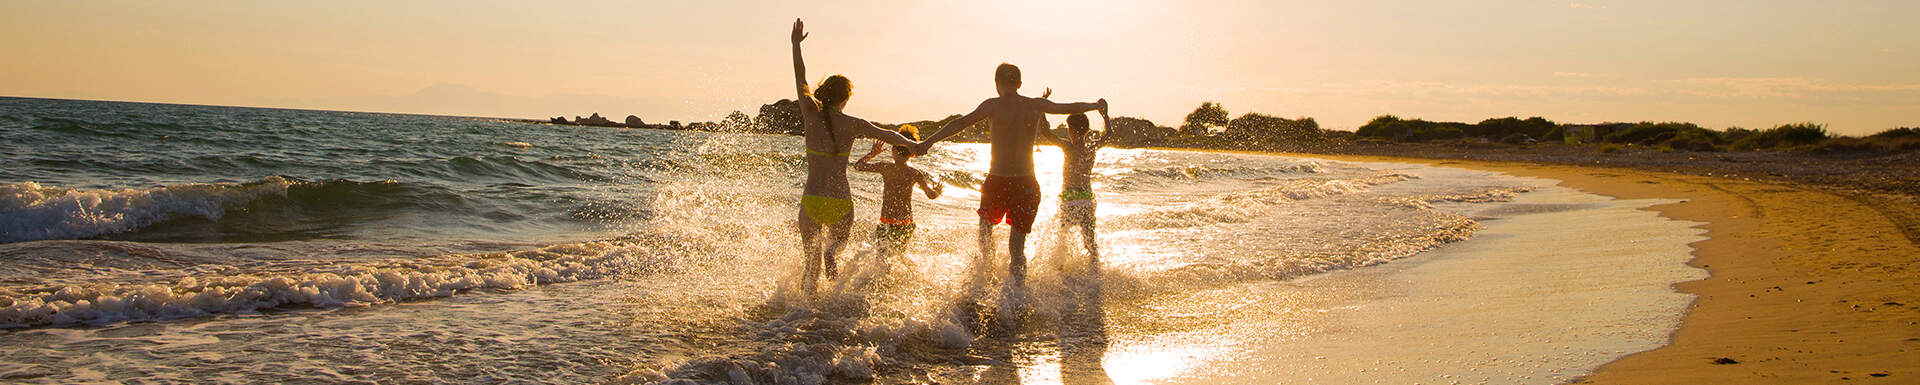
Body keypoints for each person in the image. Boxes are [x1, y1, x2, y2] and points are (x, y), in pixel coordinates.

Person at [914, 63, 1106, 289]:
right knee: (1017, 248)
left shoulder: (992, 105)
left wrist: (927, 142)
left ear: (997, 84)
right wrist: (1096, 105)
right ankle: (1017, 295)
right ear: (1020, 84)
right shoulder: (1034, 105)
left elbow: (960, 123)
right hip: (1026, 183)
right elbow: (1067, 107)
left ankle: (987, 279)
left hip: (997, 180)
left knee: (985, 232)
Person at [789, 18, 919, 295]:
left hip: (812, 199)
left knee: (810, 265)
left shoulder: (810, 112)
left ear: (825, 93)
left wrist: (795, 46)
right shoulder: (853, 123)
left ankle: (800, 318)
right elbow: (888, 134)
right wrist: (915, 145)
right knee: (835, 248)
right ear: (845, 99)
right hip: (840, 200)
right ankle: (832, 259)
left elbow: (800, 77)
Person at [853, 125, 944, 258]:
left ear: (893, 149)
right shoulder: (915, 173)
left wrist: (872, 154)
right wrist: (937, 191)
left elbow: (858, 166)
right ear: (912, 153)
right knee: (897, 257)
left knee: (881, 257)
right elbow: (930, 195)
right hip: (905, 223)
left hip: (885, 222)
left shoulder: (885, 167)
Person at [1039, 110, 1113, 269]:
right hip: (1086, 199)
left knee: (1063, 239)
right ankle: (1095, 271)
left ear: (1070, 130)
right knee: (1090, 241)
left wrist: (1042, 109)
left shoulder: (1067, 146)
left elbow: (1045, 131)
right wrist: (1105, 115)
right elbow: (1109, 135)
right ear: (1086, 130)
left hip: (1069, 200)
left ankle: (1060, 270)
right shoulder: (1092, 146)